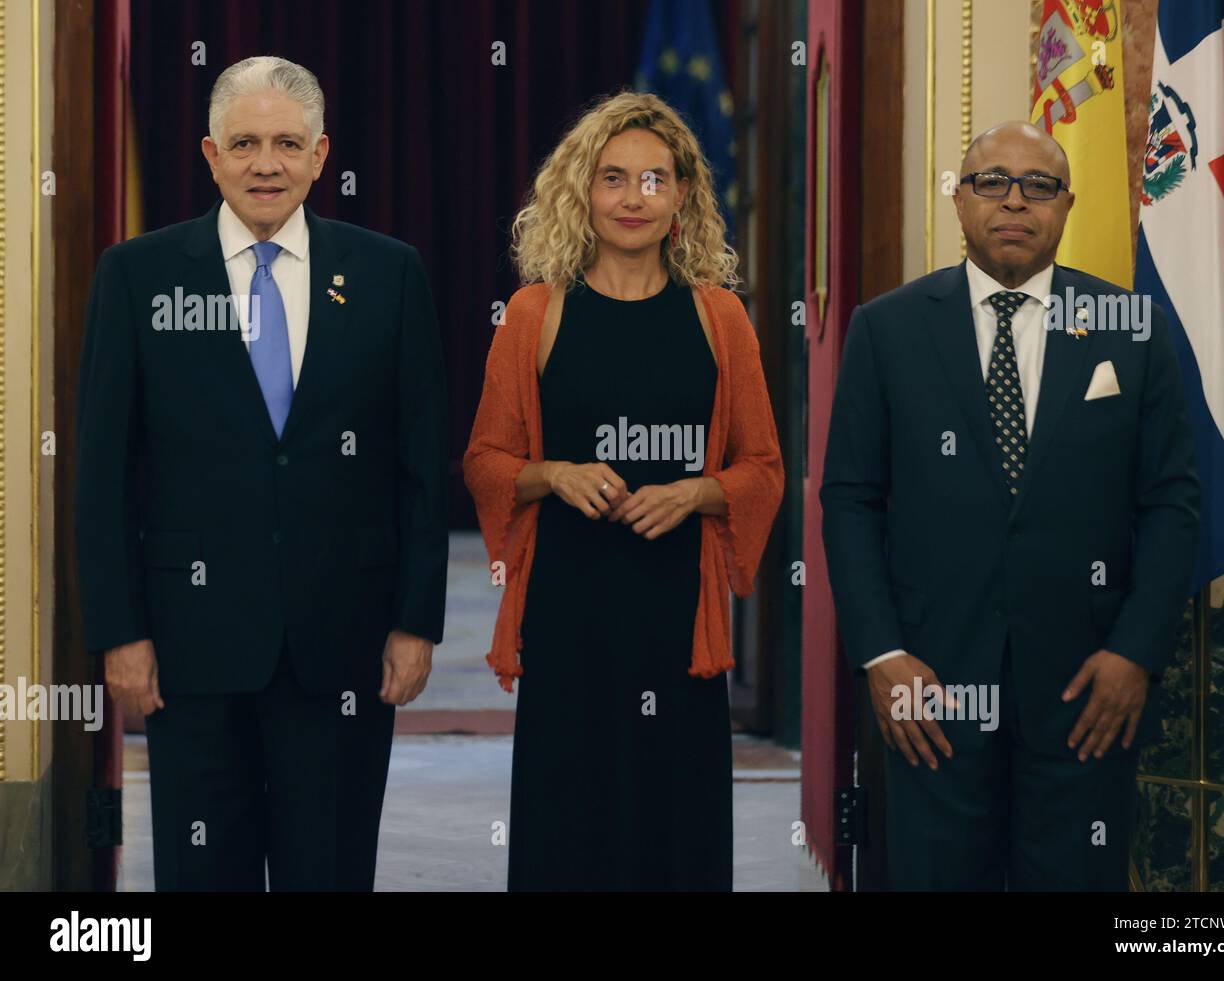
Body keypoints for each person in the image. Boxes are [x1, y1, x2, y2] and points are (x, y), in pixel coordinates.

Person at [74, 56, 449, 890]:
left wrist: (416, 619)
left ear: (322, 155)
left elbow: (422, 465)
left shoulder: (389, 275)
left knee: (331, 870)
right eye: (245, 142)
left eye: (288, 142)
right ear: (210, 156)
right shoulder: (137, 277)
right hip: (189, 650)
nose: (266, 163)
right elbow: (101, 473)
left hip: (343, 643)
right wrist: (120, 631)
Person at [821, 121, 1199, 890]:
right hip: (930, 689)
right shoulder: (885, 329)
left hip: (1087, 690)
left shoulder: (1133, 328)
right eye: (992, 181)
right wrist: (881, 655)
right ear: (959, 201)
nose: (1014, 201)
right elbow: (850, 499)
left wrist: (1136, 650)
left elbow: (1172, 502)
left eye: (1038, 185)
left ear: (1067, 205)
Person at [463, 91, 783, 891]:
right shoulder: (535, 313)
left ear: (681, 196)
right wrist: (551, 475)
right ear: (582, 192)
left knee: (676, 827)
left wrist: (698, 493)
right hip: (567, 613)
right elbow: (485, 460)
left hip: (678, 623)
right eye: (613, 178)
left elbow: (763, 468)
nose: (633, 197)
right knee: (568, 825)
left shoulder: (722, 318)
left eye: (653, 179)